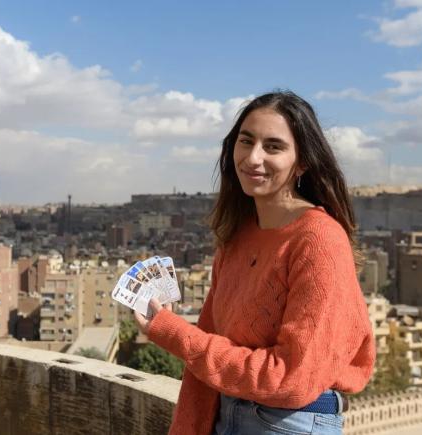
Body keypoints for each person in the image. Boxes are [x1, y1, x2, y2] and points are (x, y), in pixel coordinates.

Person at [134, 90, 376, 435]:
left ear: (302, 161)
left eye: (273, 147)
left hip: (289, 423)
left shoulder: (319, 241)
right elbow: (206, 362)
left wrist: (172, 332)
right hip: (226, 412)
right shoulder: (238, 237)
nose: (252, 157)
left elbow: (292, 377)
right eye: (245, 142)